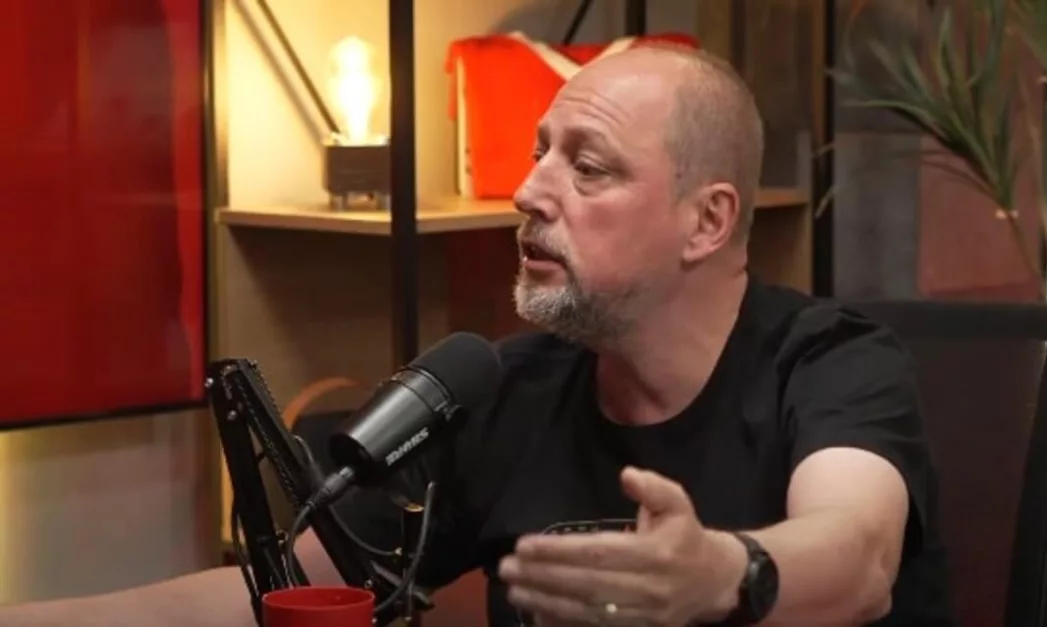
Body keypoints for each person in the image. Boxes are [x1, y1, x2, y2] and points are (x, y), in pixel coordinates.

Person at [0, 44, 952, 626]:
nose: (529, 191)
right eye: (539, 153)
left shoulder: (832, 361)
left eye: (588, 167)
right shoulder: (502, 391)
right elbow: (276, 592)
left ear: (707, 221)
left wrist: (723, 576)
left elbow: (857, 556)